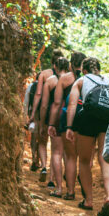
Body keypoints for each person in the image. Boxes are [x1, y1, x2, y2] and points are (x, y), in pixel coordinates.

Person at [65, 57, 109, 213]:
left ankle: (88, 200)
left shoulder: (81, 80)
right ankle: (108, 196)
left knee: (85, 161)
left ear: (84, 70)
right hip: (107, 119)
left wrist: (69, 126)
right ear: (98, 69)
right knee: (105, 159)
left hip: (87, 119)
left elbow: (72, 104)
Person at [48, 52, 83, 198]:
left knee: (66, 155)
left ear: (70, 64)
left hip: (66, 118)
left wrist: (51, 123)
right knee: (83, 158)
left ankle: (66, 190)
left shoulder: (64, 78)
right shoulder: (88, 79)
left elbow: (56, 103)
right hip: (83, 118)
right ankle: (83, 192)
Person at [31, 49, 63, 183]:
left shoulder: (44, 74)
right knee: (57, 149)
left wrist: (33, 113)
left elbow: (38, 95)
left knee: (42, 142)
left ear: (52, 61)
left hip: (44, 112)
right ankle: (52, 178)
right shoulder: (67, 76)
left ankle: (43, 166)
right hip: (59, 115)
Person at [40, 56, 70, 194]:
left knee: (56, 152)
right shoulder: (73, 80)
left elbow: (45, 104)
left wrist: (43, 122)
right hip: (70, 115)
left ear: (55, 67)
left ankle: (55, 184)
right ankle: (70, 187)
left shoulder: (50, 81)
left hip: (55, 116)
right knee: (69, 154)